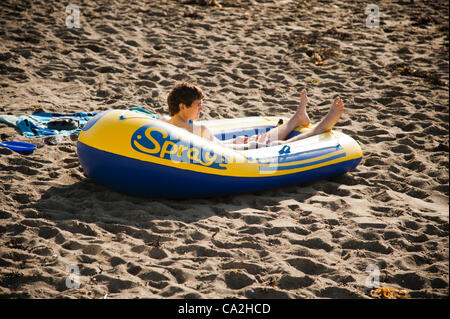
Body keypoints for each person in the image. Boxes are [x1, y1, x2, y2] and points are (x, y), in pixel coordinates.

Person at [164, 80, 344, 150]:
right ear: (182, 106)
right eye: (197, 105)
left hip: (224, 146)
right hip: (226, 155)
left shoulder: (166, 122)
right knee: (277, 145)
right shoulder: (196, 129)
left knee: (255, 138)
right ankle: (321, 128)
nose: (201, 109)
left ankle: (296, 120)